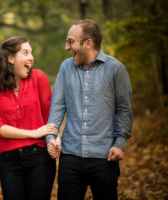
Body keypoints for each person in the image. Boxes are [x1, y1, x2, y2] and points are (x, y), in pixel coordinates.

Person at [46, 19, 133, 200]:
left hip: (104, 157)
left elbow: (124, 109)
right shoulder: (65, 68)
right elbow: (57, 107)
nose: (66, 47)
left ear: (88, 43)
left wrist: (120, 143)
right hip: (70, 156)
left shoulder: (116, 69)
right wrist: (51, 137)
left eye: (71, 41)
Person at [0, 36, 57, 200]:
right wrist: (33, 133)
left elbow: (50, 117)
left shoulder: (39, 78)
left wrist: (54, 139)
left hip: (39, 156)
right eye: (25, 53)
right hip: (9, 161)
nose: (31, 57)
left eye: (31, 53)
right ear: (10, 58)